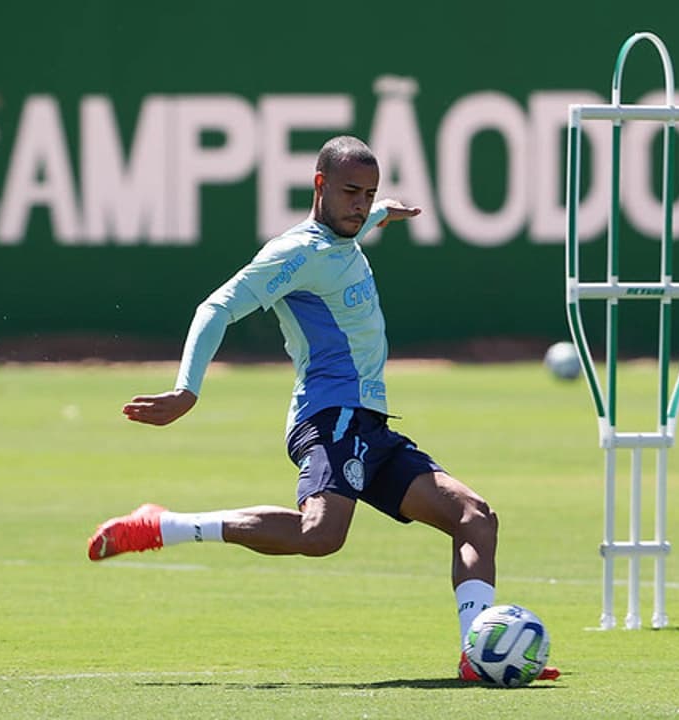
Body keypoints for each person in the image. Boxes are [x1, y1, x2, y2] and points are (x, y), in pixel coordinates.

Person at [86, 135, 558, 683]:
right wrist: (186, 389)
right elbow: (215, 306)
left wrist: (386, 212)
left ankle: (476, 657)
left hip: (369, 426)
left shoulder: (348, 230)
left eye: (369, 194)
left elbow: (361, 218)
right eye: (351, 192)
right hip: (329, 417)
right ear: (320, 187)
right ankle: (163, 527)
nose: (361, 204)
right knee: (321, 535)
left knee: (475, 517)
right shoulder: (295, 253)